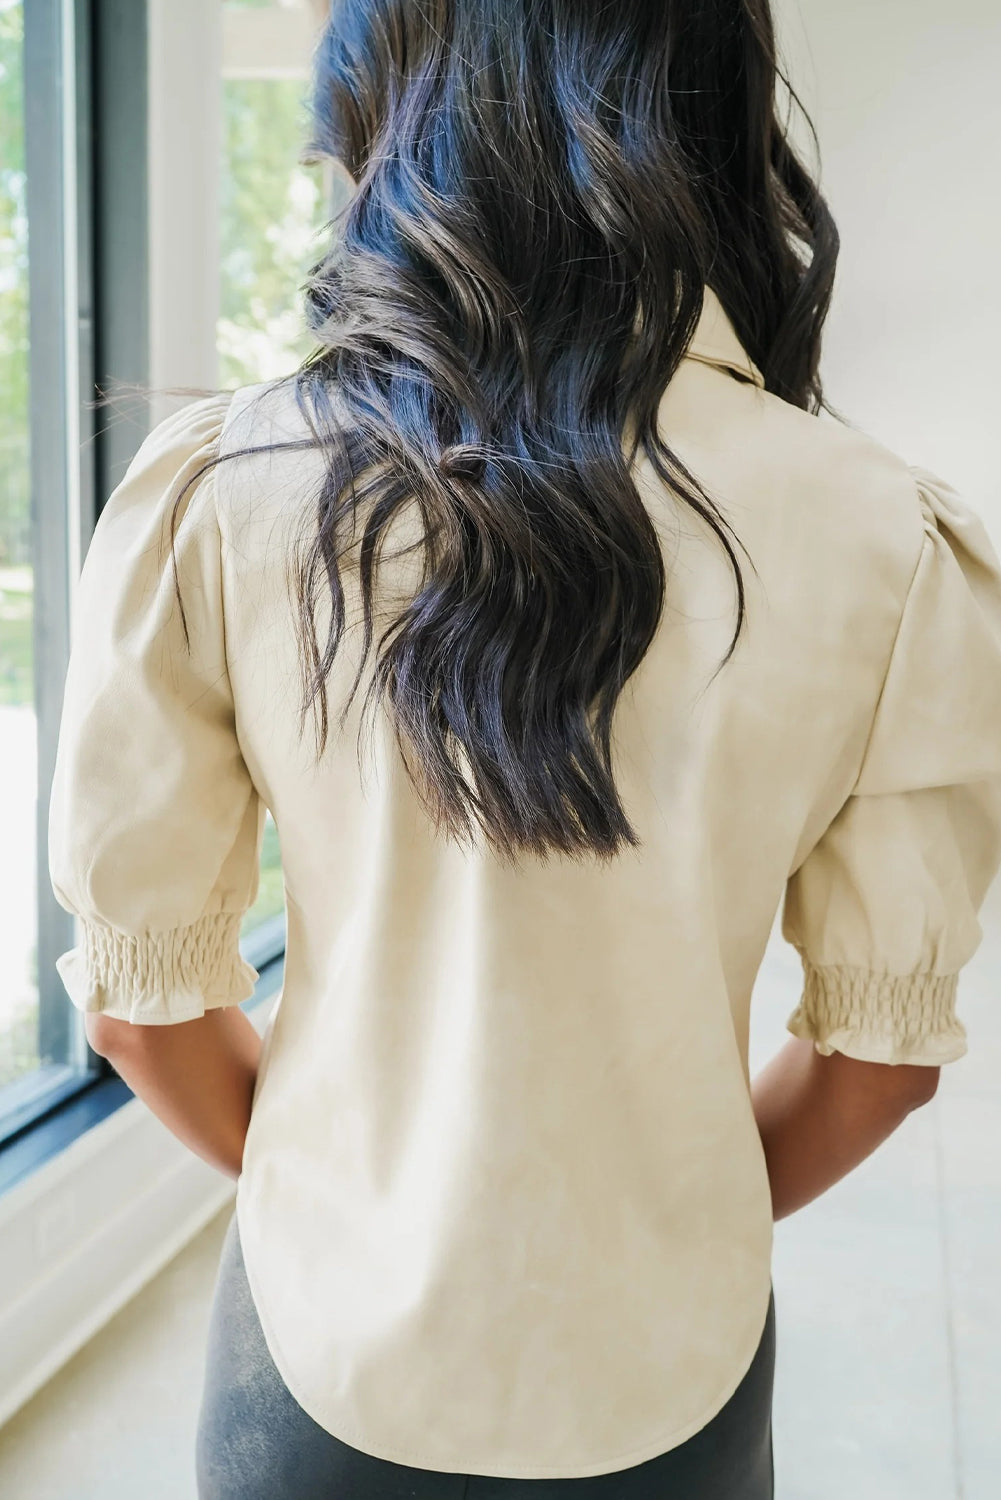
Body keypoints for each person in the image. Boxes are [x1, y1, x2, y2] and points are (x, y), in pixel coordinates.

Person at [46, 0, 1001, 1496]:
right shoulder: (883, 535)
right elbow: (877, 1067)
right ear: (710, 108)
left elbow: (139, 1010)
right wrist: (662, 1221)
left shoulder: (220, 495)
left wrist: (355, 1203)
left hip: (317, 1360)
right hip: (673, 1372)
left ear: (383, 107)